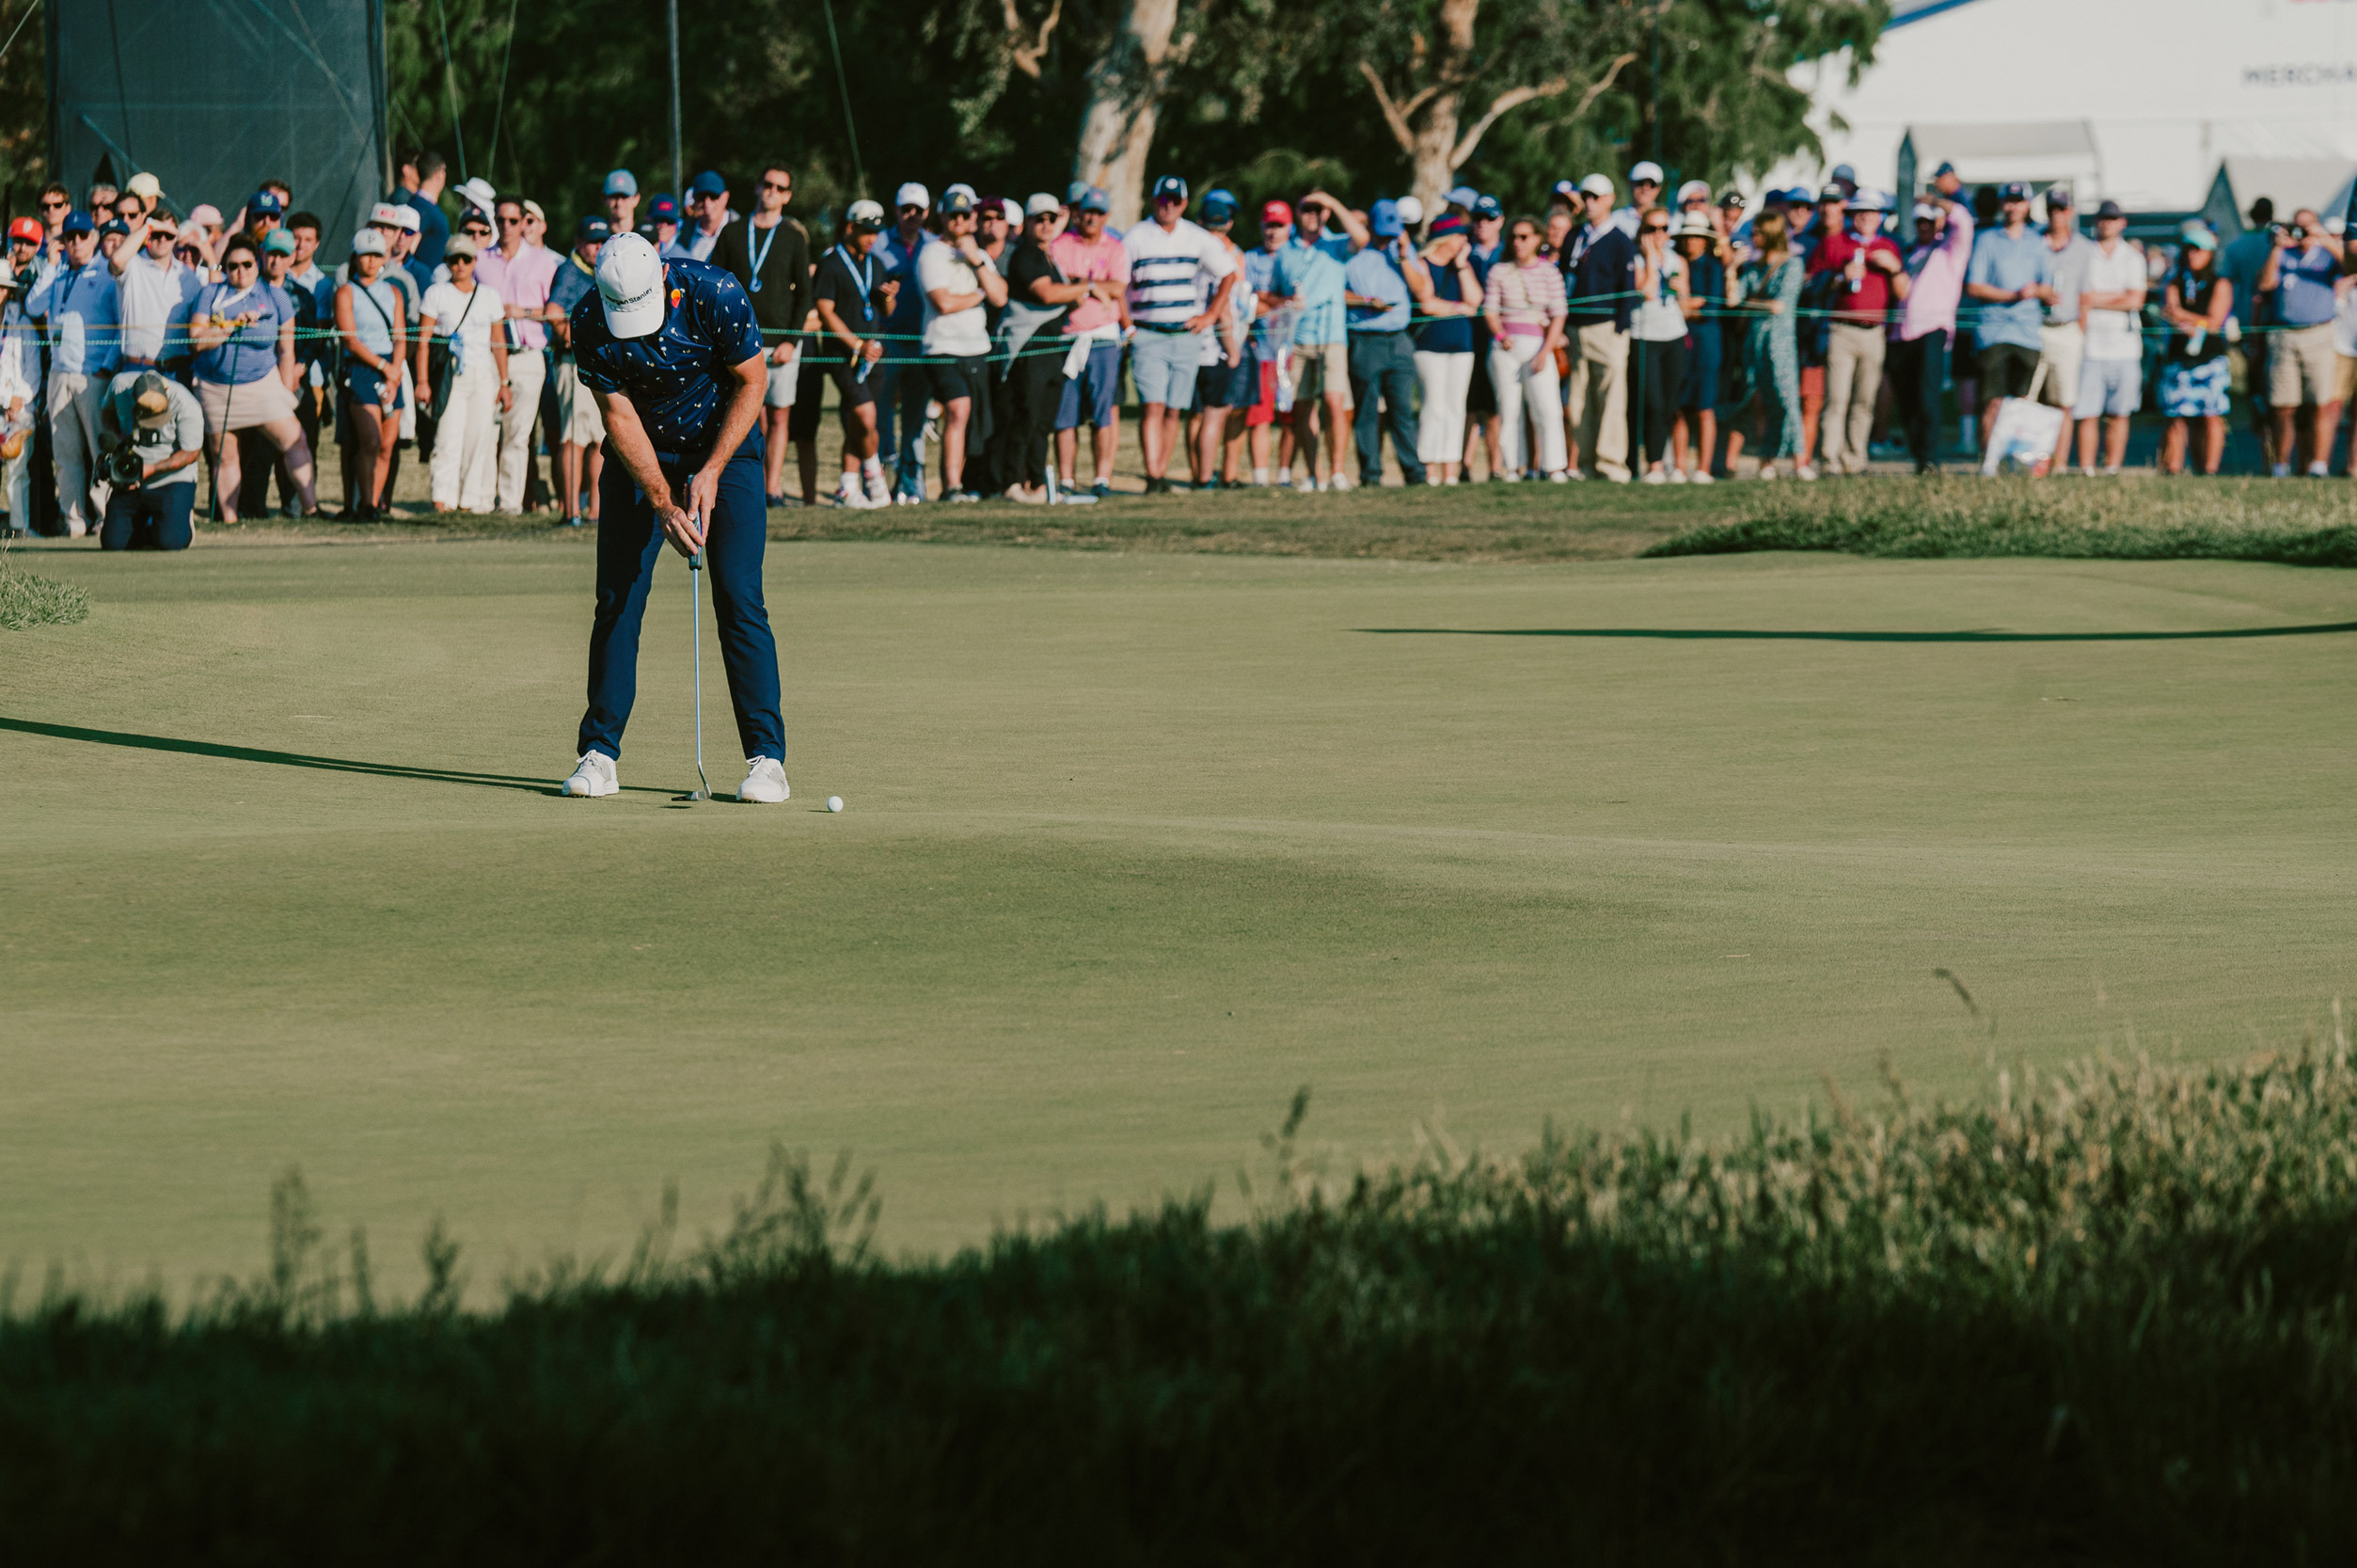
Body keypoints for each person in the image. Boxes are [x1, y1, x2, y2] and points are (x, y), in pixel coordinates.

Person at [560, 231, 784, 804]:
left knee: (738, 595)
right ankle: (600, 754)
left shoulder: (716, 293)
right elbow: (619, 415)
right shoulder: (588, 321)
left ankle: (767, 761)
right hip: (642, 460)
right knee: (619, 598)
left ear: (662, 274)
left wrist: (709, 471)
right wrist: (662, 499)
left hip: (725, 450)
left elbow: (753, 382)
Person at [1116, 177, 1237, 495]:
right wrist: (1127, 324)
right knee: (1152, 406)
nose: (1168, 205)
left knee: (1174, 409)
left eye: (1174, 200)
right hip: (1147, 332)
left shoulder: (1196, 238)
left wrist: (1210, 315)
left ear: (1183, 204)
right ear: (1153, 200)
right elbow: (1118, 285)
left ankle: (1162, 472)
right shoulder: (1136, 237)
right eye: (1163, 199)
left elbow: (1228, 273)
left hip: (1185, 334)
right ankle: (1154, 475)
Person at [185, 235, 317, 522]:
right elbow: (195, 341)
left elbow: (286, 349)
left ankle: (312, 509)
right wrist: (230, 327)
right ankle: (230, 519)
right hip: (216, 386)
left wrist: (286, 390)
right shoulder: (210, 294)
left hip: (262, 383)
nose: (240, 271)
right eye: (233, 266)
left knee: (296, 440)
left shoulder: (275, 296)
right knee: (225, 454)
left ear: (256, 266)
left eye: (247, 264)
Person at [711, 164, 814, 507]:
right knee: (750, 414)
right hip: (740, 340)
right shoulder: (733, 232)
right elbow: (716, 281)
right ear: (757, 188)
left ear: (787, 196)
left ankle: (773, 488)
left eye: (779, 187)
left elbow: (805, 294)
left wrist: (791, 340)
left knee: (780, 414)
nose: (772, 191)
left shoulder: (794, 236)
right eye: (767, 184)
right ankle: (747, 483)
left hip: (781, 342)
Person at [26, 211, 123, 537]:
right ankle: (75, 521)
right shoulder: (59, 273)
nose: (76, 243)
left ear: (93, 238)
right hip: (60, 373)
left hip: (91, 374)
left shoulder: (107, 273)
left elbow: (120, 325)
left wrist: (107, 365)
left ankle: (108, 517)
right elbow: (33, 306)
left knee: (100, 450)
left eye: (82, 236)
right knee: (66, 455)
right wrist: (52, 265)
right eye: (70, 237)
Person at [911, 188, 1006, 501]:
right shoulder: (931, 253)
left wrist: (977, 261)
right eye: (954, 215)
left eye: (965, 216)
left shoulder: (976, 254)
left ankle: (963, 484)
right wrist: (978, 295)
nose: (959, 221)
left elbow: (1000, 296)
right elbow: (944, 303)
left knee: (974, 421)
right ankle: (951, 485)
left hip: (976, 347)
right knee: (958, 409)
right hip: (941, 348)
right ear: (943, 217)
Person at [799, 198, 894, 509]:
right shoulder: (831, 263)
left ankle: (847, 486)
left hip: (874, 355)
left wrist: (889, 297)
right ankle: (875, 477)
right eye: (867, 231)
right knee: (865, 416)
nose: (872, 238)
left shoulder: (875, 263)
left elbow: (885, 311)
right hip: (846, 356)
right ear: (850, 228)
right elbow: (825, 311)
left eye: (876, 232)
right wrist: (856, 344)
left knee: (861, 421)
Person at [1806, 189, 1905, 475]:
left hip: (1874, 332)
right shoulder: (1834, 243)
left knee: (1865, 400)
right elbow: (1810, 283)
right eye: (1860, 211)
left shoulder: (1888, 246)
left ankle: (1856, 457)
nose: (1865, 217)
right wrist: (1839, 278)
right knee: (1837, 398)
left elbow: (1902, 292)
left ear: (1880, 217)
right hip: (1841, 329)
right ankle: (1830, 458)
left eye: (1871, 212)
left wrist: (1895, 268)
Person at [1273, 190, 1365, 491]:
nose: (1313, 214)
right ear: (1298, 213)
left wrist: (1332, 202)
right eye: (1307, 209)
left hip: (1332, 337)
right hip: (1298, 338)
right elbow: (1274, 294)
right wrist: (1287, 301)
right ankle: (1315, 474)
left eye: (1318, 210)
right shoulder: (1285, 252)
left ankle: (1337, 471)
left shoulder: (1335, 245)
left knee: (1333, 402)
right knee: (1302, 407)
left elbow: (1362, 238)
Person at [414, 234, 510, 512]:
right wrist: (422, 381)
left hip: (483, 373)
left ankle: (469, 500)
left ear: (474, 261)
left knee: (478, 438)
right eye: (454, 260)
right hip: (449, 374)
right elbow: (423, 342)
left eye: (465, 259)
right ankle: (442, 498)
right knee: (447, 437)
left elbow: (498, 342)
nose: (460, 265)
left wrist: (504, 383)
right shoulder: (436, 293)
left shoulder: (489, 295)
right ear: (447, 263)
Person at [998, 194, 1084, 501]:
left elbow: (1067, 297)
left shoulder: (1049, 256)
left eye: (1051, 219)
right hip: (1028, 349)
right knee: (1026, 416)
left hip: (1051, 348)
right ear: (1028, 223)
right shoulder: (1026, 255)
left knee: (1043, 422)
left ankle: (1036, 483)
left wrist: (1073, 291)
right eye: (1039, 219)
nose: (1046, 225)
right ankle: (1012, 483)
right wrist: (1084, 287)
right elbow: (1047, 295)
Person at [1335, 198, 1424, 489]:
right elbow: (1337, 292)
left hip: (1399, 340)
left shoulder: (1404, 252)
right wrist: (1367, 302)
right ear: (1371, 227)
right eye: (1383, 232)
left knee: (1402, 411)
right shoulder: (1353, 254)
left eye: (1393, 231)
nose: (1388, 237)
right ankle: (1370, 474)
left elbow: (1421, 290)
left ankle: (1414, 472)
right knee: (1367, 411)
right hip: (1365, 339)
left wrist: (1402, 257)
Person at [477, 196, 558, 512]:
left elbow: (553, 310)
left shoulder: (543, 262)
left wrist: (521, 311)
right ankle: (480, 499)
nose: (507, 226)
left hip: (527, 354)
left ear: (525, 222)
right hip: (489, 353)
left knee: (518, 433)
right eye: (501, 220)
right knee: (486, 429)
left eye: (513, 220)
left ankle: (509, 503)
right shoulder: (480, 260)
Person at [1963, 182, 2056, 453]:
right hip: (1994, 332)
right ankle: (1989, 461)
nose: (2013, 206)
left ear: (2027, 205)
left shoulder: (2036, 242)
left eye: (2019, 201)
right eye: (2009, 201)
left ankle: (2016, 459)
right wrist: (2013, 295)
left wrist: (2037, 291)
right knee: (1993, 400)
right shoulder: (1986, 240)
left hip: (2027, 332)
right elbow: (1975, 286)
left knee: (2022, 403)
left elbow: (2047, 287)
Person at [1049, 186, 1129, 499]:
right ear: (1078, 213)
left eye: (1098, 213)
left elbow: (1119, 287)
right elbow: (1058, 281)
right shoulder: (1061, 244)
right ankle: (1067, 479)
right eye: (1087, 212)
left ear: (1106, 216)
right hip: (1068, 337)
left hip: (1104, 340)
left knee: (1102, 412)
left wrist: (1085, 285)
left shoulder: (1116, 248)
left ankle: (1101, 478)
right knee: (1065, 414)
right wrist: (1095, 286)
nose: (1091, 218)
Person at [1481, 215, 1569, 481]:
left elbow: (1558, 314)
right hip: (1507, 346)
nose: (1518, 242)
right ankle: (1513, 467)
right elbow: (1490, 310)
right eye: (1514, 237)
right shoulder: (1500, 271)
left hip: (1538, 345)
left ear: (1537, 240)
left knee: (1548, 408)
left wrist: (1545, 351)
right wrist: (1499, 335)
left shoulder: (1550, 272)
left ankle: (1554, 466)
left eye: (1524, 237)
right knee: (1509, 409)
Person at [2258, 208, 2345, 476]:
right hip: (2284, 335)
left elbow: (2351, 266)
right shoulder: (2284, 253)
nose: (2303, 232)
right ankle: (2281, 464)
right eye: (2299, 227)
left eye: (2308, 226)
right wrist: (2276, 249)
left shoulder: (2326, 255)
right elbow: (2265, 284)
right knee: (2284, 405)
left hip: (2319, 333)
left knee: (2320, 403)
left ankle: (2318, 465)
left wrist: (2325, 240)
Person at [1888, 195, 1971, 474]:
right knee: (1907, 399)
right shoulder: (1909, 253)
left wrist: (1935, 200)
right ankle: (1919, 455)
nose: (1924, 227)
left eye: (1929, 221)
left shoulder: (1949, 251)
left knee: (1927, 396)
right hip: (1901, 334)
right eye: (1919, 222)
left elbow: (1963, 220)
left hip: (1931, 330)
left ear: (1937, 223)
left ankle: (1931, 458)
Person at [1563, 174, 1636, 483]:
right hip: (1576, 328)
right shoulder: (1575, 236)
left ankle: (1611, 464)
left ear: (1609, 199)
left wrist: (1621, 327)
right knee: (1578, 402)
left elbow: (1627, 287)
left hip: (1607, 328)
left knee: (1610, 400)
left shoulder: (1619, 240)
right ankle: (1588, 463)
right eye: (1586, 197)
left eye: (1596, 197)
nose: (1589, 203)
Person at [336, 229, 409, 518]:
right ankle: (364, 503)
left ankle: (375, 503)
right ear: (355, 258)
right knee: (370, 440)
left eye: (377, 254)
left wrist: (394, 374)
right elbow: (350, 339)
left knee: (387, 445)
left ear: (385, 258)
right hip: (363, 368)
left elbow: (401, 335)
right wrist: (384, 368)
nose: (370, 261)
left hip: (391, 368)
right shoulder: (346, 291)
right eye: (365, 254)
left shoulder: (393, 291)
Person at [2070, 200, 2147, 477]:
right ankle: (2087, 468)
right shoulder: (2083, 253)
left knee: (2119, 412)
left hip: (2125, 347)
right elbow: (2080, 297)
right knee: (2087, 413)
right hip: (2090, 346)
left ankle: (2112, 467)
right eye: (2103, 218)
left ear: (2122, 222)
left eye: (2113, 218)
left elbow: (2136, 299)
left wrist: (2095, 300)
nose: (2107, 223)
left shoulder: (2133, 257)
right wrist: (2117, 296)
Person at [1407, 213, 1483, 484]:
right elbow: (1427, 304)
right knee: (1433, 406)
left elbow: (1475, 302)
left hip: (1462, 346)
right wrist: (1459, 309)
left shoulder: (1462, 265)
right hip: (1430, 346)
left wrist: (1462, 267)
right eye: (1460, 235)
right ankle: (1429, 468)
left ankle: (1450, 471)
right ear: (1445, 238)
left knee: (1455, 408)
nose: (1465, 240)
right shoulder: (1422, 263)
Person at [1185, 189, 1254, 489]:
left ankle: (1196, 472)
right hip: (1213, 347)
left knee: (1195, 414)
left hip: (1188, 341)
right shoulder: (1220, 256)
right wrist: (1233, 349)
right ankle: (1204, 478)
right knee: (1214, 414)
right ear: (1227, 223)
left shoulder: (1188, 247)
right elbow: (1223, 307)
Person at [95, 369, 202, 549]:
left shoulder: (186, 403)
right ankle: (154, 527)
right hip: (131, 474)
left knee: (170, 542)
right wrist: (118, 444)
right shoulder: (120, 385)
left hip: (172, 479)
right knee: (113, 543)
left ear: (166, 393)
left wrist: (149, 470)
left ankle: (179, 525)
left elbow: (190, 453)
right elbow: (107, 411)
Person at [548, 216, 610, 527]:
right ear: (578, 243)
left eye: (602, 242)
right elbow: (553, 312)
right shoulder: (570, 270)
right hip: (572, 365)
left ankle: (595, 511)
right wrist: (571, 335)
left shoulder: (604, 270)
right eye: (592, 242)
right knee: (573, 438)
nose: (598, 248)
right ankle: (570, 509)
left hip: (598, 364)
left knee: (600, 440)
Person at [2158, 227, 2231, 477]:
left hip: (2210, 358)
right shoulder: (2176, 282)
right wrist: (2192, 319)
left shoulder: (2219, 283)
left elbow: (2214, 321)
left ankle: (2209, 470)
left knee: (2211, 416)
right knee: (2177, 416)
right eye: (2189, 249)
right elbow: (2170, 308)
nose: (2193, 255)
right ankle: (2174, 469)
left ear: (2210, 253)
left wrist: (2182, 316)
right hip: (2180, 359)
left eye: (2198, 250)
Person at [1739, 212, 1808, 480]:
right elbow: (1734, 299)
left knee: (1787, 399)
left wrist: (1751, 305)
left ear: (1769, 234)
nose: (1752, 237)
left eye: (1756, 232)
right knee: (1765, 402)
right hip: (1756, 343)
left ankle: (1800, 461)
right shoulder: (1753, 269)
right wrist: (1733, 268)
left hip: (1780, 343)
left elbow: (1780, 306)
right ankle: (1766, 461)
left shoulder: (1792, 265)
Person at [2034, 188, 2097, 471]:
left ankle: (2059, 463)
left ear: (2071, 212)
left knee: (2064, 401)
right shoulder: (2033, 242)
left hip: (2067, 328)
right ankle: (2034, 460)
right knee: (2032, 400)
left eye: (2062, 209)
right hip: (2035, 326)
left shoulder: (2084, 248)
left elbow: (2086, 294)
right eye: (2052, 209)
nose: (2057, 215)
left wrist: (2081, 329)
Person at [877, 183, 933, 499]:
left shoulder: (935, 244)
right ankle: (884, 478)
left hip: (924, 339)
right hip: (888, 338)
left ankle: (913, 483)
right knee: (882, 411)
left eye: (918, 210)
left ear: (926, 213)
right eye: (906, 209)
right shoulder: (880, 243)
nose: (912, 216)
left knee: (916, 415)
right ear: (896, 210)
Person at [1630, 208, 1692, 483]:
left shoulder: (1678, 260)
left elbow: (1686, 309)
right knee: (1652, 403)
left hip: (1674, 335)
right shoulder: (1635, 259)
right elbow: (1647, 292)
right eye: (1652, 228)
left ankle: (1666, 462)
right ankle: (1653, 464)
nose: (1659, 234)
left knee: (1668, 404)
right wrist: (1650, 259)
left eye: (1664, 228)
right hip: (1644, 336)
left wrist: (1683, 292)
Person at [1669, 214, 1730, 482]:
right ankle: (1680, 468)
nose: (1691, 241)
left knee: (1705, 407)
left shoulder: (1713, 267)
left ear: (1705, 241)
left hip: (1706, 343)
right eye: (1687, 237)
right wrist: (1691, 304)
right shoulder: (1675, 264)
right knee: (1679, 406)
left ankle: (1703, 469)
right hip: (1680, 340)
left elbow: (1712, 307)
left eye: (1697, 237)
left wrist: (1686, 306)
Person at [2219, 197, 2278, 469]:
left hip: (2248, 323)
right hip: (2272, 323)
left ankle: (2267, 441)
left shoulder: (2237, 246)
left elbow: (2228, 285)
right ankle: (2270, 449)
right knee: (2271, 389)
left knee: (2258, 386)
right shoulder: (2276, 243)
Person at [110, 202, 198, 372]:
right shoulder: (133, 265)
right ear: (148, 235)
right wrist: (148, 225)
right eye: (157, 234)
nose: (163, 239)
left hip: (176, 370)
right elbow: (116, 261)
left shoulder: (188, 277)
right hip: (137, 367)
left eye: (168, 234)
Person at [1, 218, 45, 533]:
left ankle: (20, 527)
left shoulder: (23, 323)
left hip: (20, 405)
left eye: (2, 288)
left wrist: (18, 399)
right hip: (4, 402)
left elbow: (33, 369)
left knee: (19, 469)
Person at [393, 150, 451, 286]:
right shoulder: (421, 208)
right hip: (421, 286)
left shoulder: (424, 206)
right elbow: (409, 244)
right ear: (440, 174)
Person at [682, 171, 732, 261]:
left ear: (725, 197)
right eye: (701, 198)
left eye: (713, 196)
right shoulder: (685, 234)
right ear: (694, 199)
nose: (707, 203)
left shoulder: (742, 232)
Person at [1614, 162, 1664, 238]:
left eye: (1652, 184)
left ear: (1659, 188)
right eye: (1640, 183)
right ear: (1630, 184)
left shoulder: (1668, 221)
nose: (1645, 188)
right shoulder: (1615, 220)